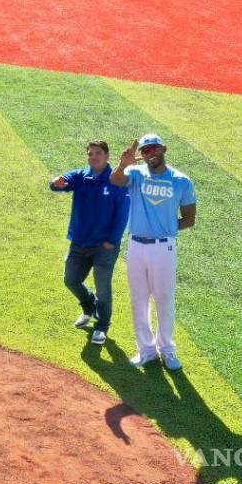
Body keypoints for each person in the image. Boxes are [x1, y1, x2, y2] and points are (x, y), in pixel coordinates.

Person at [109, 134, 197, 371]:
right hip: (136, 246)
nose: (150, 153)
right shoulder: (136, 174)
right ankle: (146, 350)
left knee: (164, 299)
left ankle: (167, 350)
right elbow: (115, 180)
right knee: (139, 299)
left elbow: (189, 219)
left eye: (153, 148)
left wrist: (166, 227)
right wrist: (123, 163)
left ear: (163, 149)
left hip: (163, 248)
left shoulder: (181, 181)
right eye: (145, 150)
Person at [49, 140, 130, 346]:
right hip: (79, 242)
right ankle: (88, 306)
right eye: (90, 153)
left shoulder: (117, 181)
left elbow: (122, 214)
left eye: (97, 153)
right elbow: (61, 182)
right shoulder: (81, 176)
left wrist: (112, 241)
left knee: (103, 288)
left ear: (107, 156)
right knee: (71, 279)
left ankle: (102, 326)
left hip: (104, 247)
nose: (93, 157)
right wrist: (56, 182)